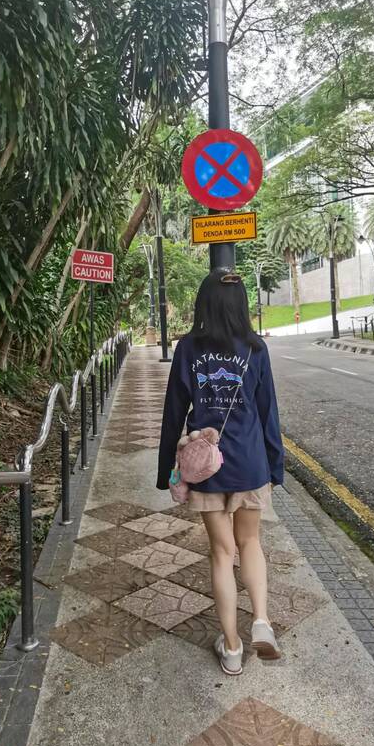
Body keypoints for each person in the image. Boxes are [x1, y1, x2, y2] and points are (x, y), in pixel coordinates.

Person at [157, 269, 285, 676]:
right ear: (242, 304)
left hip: (205, 466)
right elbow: (268, 414)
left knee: (221, 552)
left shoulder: (188, 348)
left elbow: (174, 411)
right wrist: (275, 466)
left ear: (203, 304)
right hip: (250, 461)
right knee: (250, 542)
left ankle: (231, 647)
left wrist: (165, 471)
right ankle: (261, 619)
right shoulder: (256, 348)